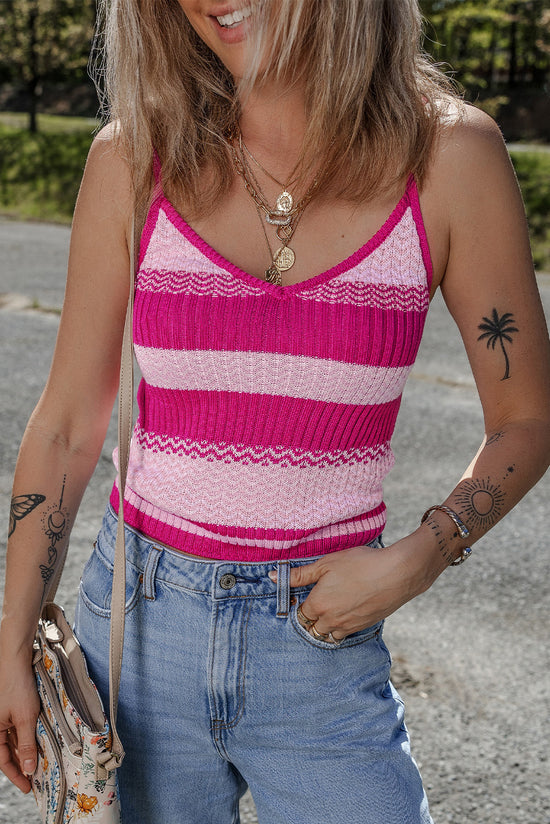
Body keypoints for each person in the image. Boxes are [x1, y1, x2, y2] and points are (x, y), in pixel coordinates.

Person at [2, 1, 550, 822]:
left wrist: (420, 556)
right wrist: (10, 641)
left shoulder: (450, 158)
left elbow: (527, 417)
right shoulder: (133, 157)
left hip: (321, 645)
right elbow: (67, 423)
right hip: (140, 635)